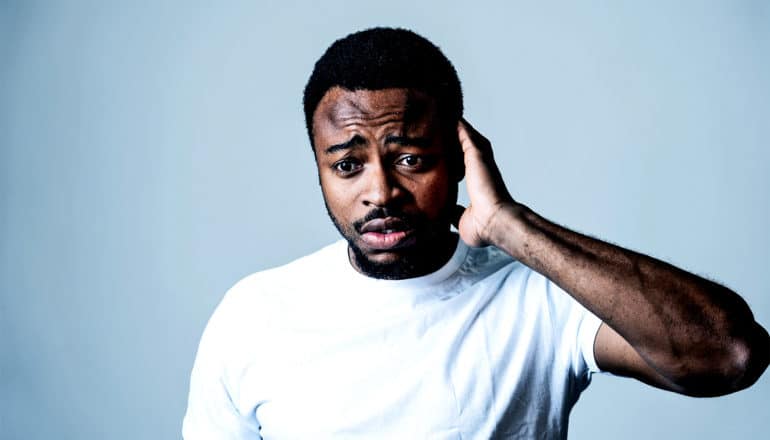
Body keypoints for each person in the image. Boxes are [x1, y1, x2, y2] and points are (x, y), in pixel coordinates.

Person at [183, 27, 769, 439]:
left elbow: (732, 356)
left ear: (461, 156)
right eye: (346, 166)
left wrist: (514, 228)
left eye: (410, 158)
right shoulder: (253, 315)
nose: (380, 192)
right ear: (317, 166)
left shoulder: (542, 297)